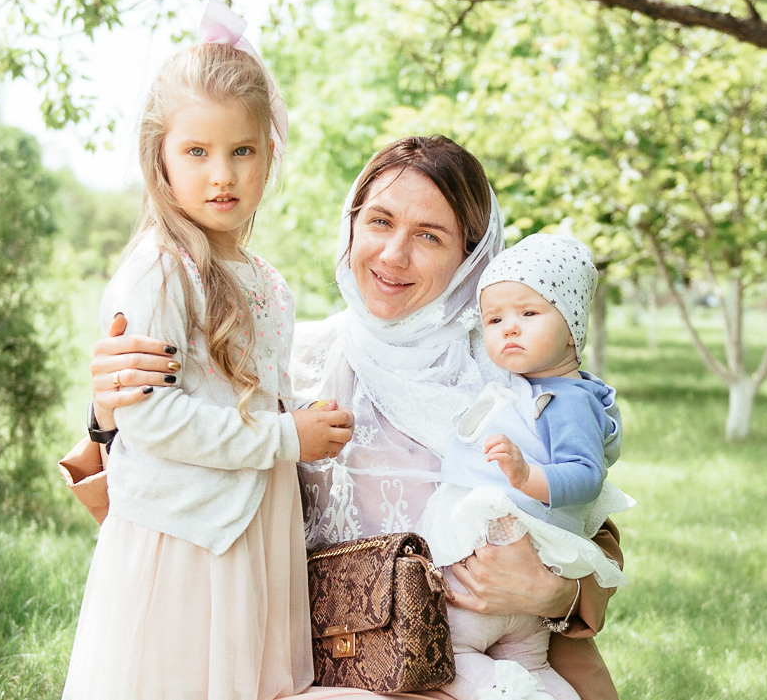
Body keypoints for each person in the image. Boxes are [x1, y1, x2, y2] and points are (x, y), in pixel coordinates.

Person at [90, 136, 625, 700]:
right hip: (321, 669)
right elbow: (171, 504)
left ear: (469, 257)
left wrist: (553, 594)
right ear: (351, 225)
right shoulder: (290, 361)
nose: (394, 254)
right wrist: (110, 412)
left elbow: (589, 519)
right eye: (379, 221)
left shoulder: (512, 372)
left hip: (487, 665)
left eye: (428, 235)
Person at [61, 0, 354, 700]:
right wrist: (287, 435)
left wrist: (303, 413)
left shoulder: (262, 276)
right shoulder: (160, 270)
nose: (221, 173)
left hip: (246, 525)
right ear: (158, 156)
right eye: (197, 151)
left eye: (241, 151)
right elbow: (152, 416)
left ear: (268, 154)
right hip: (188, 538)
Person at [416, 233, 632, 700]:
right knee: (530, 660)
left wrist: (524, 476)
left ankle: (503, 690)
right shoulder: (531, 389)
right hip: (523, 599)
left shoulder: (566, 398)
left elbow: (586, 475)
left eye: (528, 314)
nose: (509, 329)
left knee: (451, 653)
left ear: (572, 325)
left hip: (497, 575)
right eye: (494, 319)